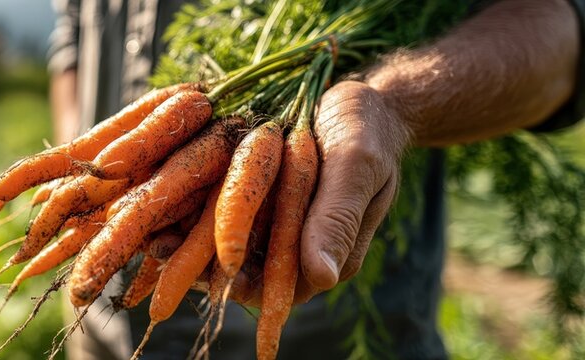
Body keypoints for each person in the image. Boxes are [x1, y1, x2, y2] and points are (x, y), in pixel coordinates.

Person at [47, 0, 584, 358]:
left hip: (347, 341)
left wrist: (393, 105)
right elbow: (72, 30)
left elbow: (560, 29)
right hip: (103, 333)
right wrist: (93, 173)